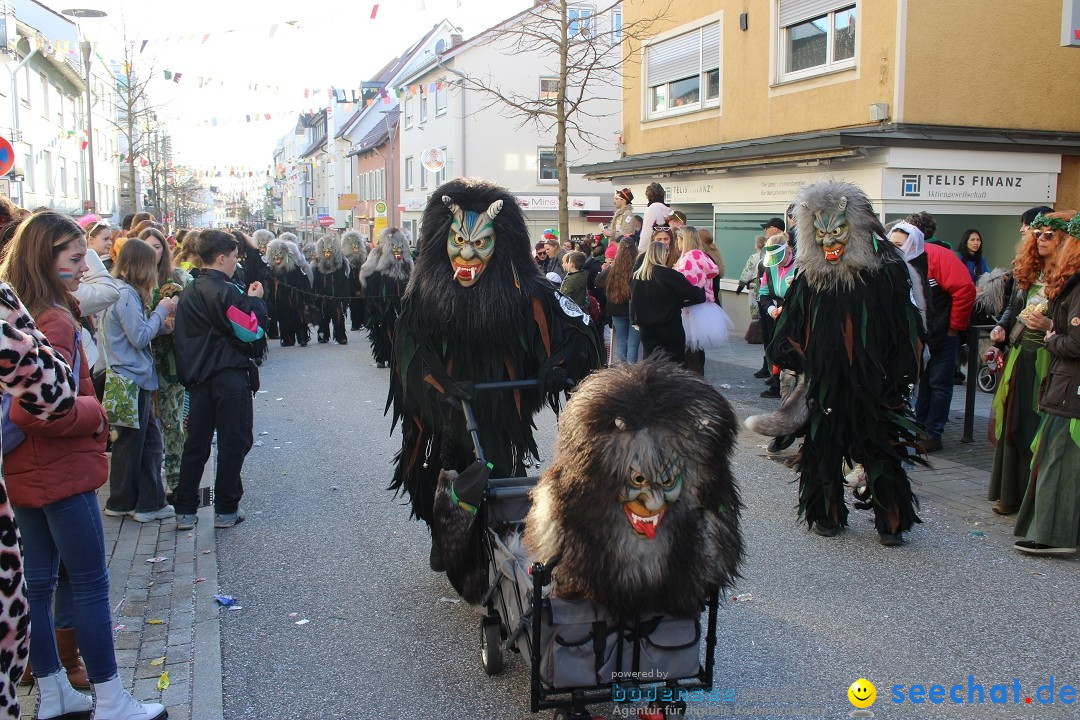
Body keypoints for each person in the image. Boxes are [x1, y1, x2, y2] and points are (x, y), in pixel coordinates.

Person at [389, 178, 601, 592]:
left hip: (502, 410)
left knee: (503, 478)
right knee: (445, 474)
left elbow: (581, 328)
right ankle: (445, 536)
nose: (467, 253)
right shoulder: (424, 296)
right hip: (448, 413)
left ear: (499, 245)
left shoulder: (529, 292)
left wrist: (558, 364)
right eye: (459, 242)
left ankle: (500, 551)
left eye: (480, 244)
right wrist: (441, 384)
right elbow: (409, 352)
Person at [0, 211, 166, 720]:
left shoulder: (23, 310)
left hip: (25, 473)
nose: (84, 268)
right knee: (91, 583)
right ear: (46, 258)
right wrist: (96, 412)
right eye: (75, 259)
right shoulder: (51, 318)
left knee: (40, 585)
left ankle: (53, 693)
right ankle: (111, 697)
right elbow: (41, 406)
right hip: (59, 469)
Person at [745, 181, 924, 546]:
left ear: (855, 226)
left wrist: (902, 373)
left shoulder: (886, 269)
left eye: (838, 231)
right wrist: (787, 349)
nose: (830, 242)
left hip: (876, 380)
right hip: (825, 378)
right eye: (821, 233)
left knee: (880, 442)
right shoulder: (811, 276)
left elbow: (908, 327)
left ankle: (890, 520)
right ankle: (825, 513)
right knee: (823, 443)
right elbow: (790, 322)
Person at [172, 230, 267, 531]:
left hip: (198, 378)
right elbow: (250, 331)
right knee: (233, 441)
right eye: (235, 257)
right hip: (228, 376)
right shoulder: (226, 291)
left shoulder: (188, 291)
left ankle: (185, 510)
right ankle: (226, 508)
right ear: (222, 257)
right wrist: (255, 302)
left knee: (196, 444)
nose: (236, 263)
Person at [988, 212, 1066, 515]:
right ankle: (1010, 493)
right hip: (1021, 353)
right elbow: (1013, 308)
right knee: (1012, 421)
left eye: (1049, 234)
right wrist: (1001, 330)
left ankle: (1034, 500)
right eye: (1038, 234)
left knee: (1038, 425)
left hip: (1049, 358)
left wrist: (1048, 323)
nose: (1041, 239)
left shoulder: (1070, 276)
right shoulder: (1029, 269)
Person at [1013, 212, 1080, 555]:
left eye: (1055, 236)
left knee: (1058, 457)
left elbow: (1076, 343)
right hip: (1063, 383)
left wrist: (1051, 334)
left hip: (1070, 388)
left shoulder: (1077, 285)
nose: (1044, 240)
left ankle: (1054, 536)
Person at [101, 239, 177, 522]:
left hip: (125, 377)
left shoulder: (118, 291)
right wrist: (161, 310)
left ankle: (130, 501)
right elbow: (139, 336)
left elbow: (133, 335)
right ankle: (145, 504)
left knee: (135, 442)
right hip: (132, 379)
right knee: (144, 444)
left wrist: (160, 328)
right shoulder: (126, 295)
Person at [909, 214, 976, 453]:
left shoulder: (937, 255)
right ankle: (921, 429)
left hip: (939, 335)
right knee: (924, 384)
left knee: (936, 384)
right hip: (923, 336)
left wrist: (953, 328)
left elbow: (965, 290)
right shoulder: (911, 255)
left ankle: (931, 433)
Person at [142, 228, 193, 496]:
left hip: (171, 359)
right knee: (150, 427)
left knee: (173, 419)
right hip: (145, 359)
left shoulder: (178, 278)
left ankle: (177, 481)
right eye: (147, 246)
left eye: (157, 246)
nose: (153, 252)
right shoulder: (136, 283)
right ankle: (152, 483)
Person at [630, 240, 706, 363]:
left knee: (651, 363)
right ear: (663, 255)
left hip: (646, 328)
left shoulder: (637, 276)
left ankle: (651, 383)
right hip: (669, 326)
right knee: (673, 363)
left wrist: (634, 320)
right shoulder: (669, 274)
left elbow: (633, 301)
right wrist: (701, 289)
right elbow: (691, 293)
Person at [674, 226, 731, 375]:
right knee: (696, 349)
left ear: (683, 240)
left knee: (690, 352)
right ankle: (698, 381)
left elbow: (688, 284)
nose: (677, 244)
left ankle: (695, 385)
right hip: (704, 307)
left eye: (678, 240)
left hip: (691, 308)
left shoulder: (689, 258)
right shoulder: (701, 255)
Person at [359, 228, 413, 368]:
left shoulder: (407, 261)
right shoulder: (377, 254)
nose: (398, 253)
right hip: (383, 300)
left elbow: (412, 277)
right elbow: (367, 275)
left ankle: (398, 354)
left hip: (402, 300)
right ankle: (383, 356)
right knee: (384, 326)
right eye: (395, 249)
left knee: (403, 327)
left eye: (400, 250)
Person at [757, 230, 797, 398]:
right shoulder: (769, 268)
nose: (778, 264)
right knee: (775, 348)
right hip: (776, 312)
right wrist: (771, 310)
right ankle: (776, 384)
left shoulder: (799, 266)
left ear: (788, 251)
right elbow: (764, 293)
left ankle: (794, 386)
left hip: (795, 312)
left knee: (792, 349)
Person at [596, 236, 640, 363]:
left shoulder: (613, 267)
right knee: (633, 345)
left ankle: (621, 374)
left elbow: (598, 282)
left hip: (616, 308)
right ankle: (632, 373)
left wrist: (604, 270)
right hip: (634, 310)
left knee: (621, 342)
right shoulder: (638, 266)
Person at [264, 237, 313, 347]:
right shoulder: (271, 270)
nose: (277, 260)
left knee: (298, 316)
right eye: (275, 257)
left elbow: (303, 282)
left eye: (279, 257)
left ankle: (302, 337)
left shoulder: (294, 267)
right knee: (283, 317)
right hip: (280, 298)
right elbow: (269, 285)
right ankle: (287, 339)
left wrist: (306, 296)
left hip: (295, 297)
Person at [312, 234, 350, 344]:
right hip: (322, 294)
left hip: (336, 294)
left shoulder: (340, 263)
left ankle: (341, 336)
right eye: (325, 252)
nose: (327, 254)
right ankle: (323, 335)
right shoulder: (317, 263)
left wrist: (344, 295)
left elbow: (344, 280)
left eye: (329, 251)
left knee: (338, 315)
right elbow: (314, 281)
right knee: (323, 315)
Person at [340, 230, 368, 331]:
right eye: (353, 246)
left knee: (362, 304)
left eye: (357, 246)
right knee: (354, 305)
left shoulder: (363, 258)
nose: (355, 248)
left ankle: (361, 322)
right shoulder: (345, 260)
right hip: (350, 285)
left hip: (361, 285)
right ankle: (355, 324)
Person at [639, 182, 670, 248]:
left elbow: (647, 233)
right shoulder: (668, 209)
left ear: (649, 196)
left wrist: (640, 249)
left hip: (654, 248)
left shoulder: (652, 209)